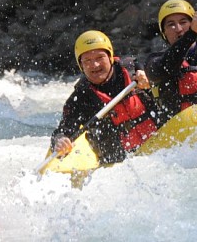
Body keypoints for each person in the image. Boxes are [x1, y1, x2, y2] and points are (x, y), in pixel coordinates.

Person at [51, 30, 168, 164]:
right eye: (87, 60)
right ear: (81, 65)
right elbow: (63, 131)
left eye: (99, 58)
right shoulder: (80, 98)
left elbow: (163, 73)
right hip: (120, 163)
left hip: (161, 146)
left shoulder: (133, 70)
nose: (94, 65)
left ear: (110, 57)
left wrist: (150, 81)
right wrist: (60, 141)